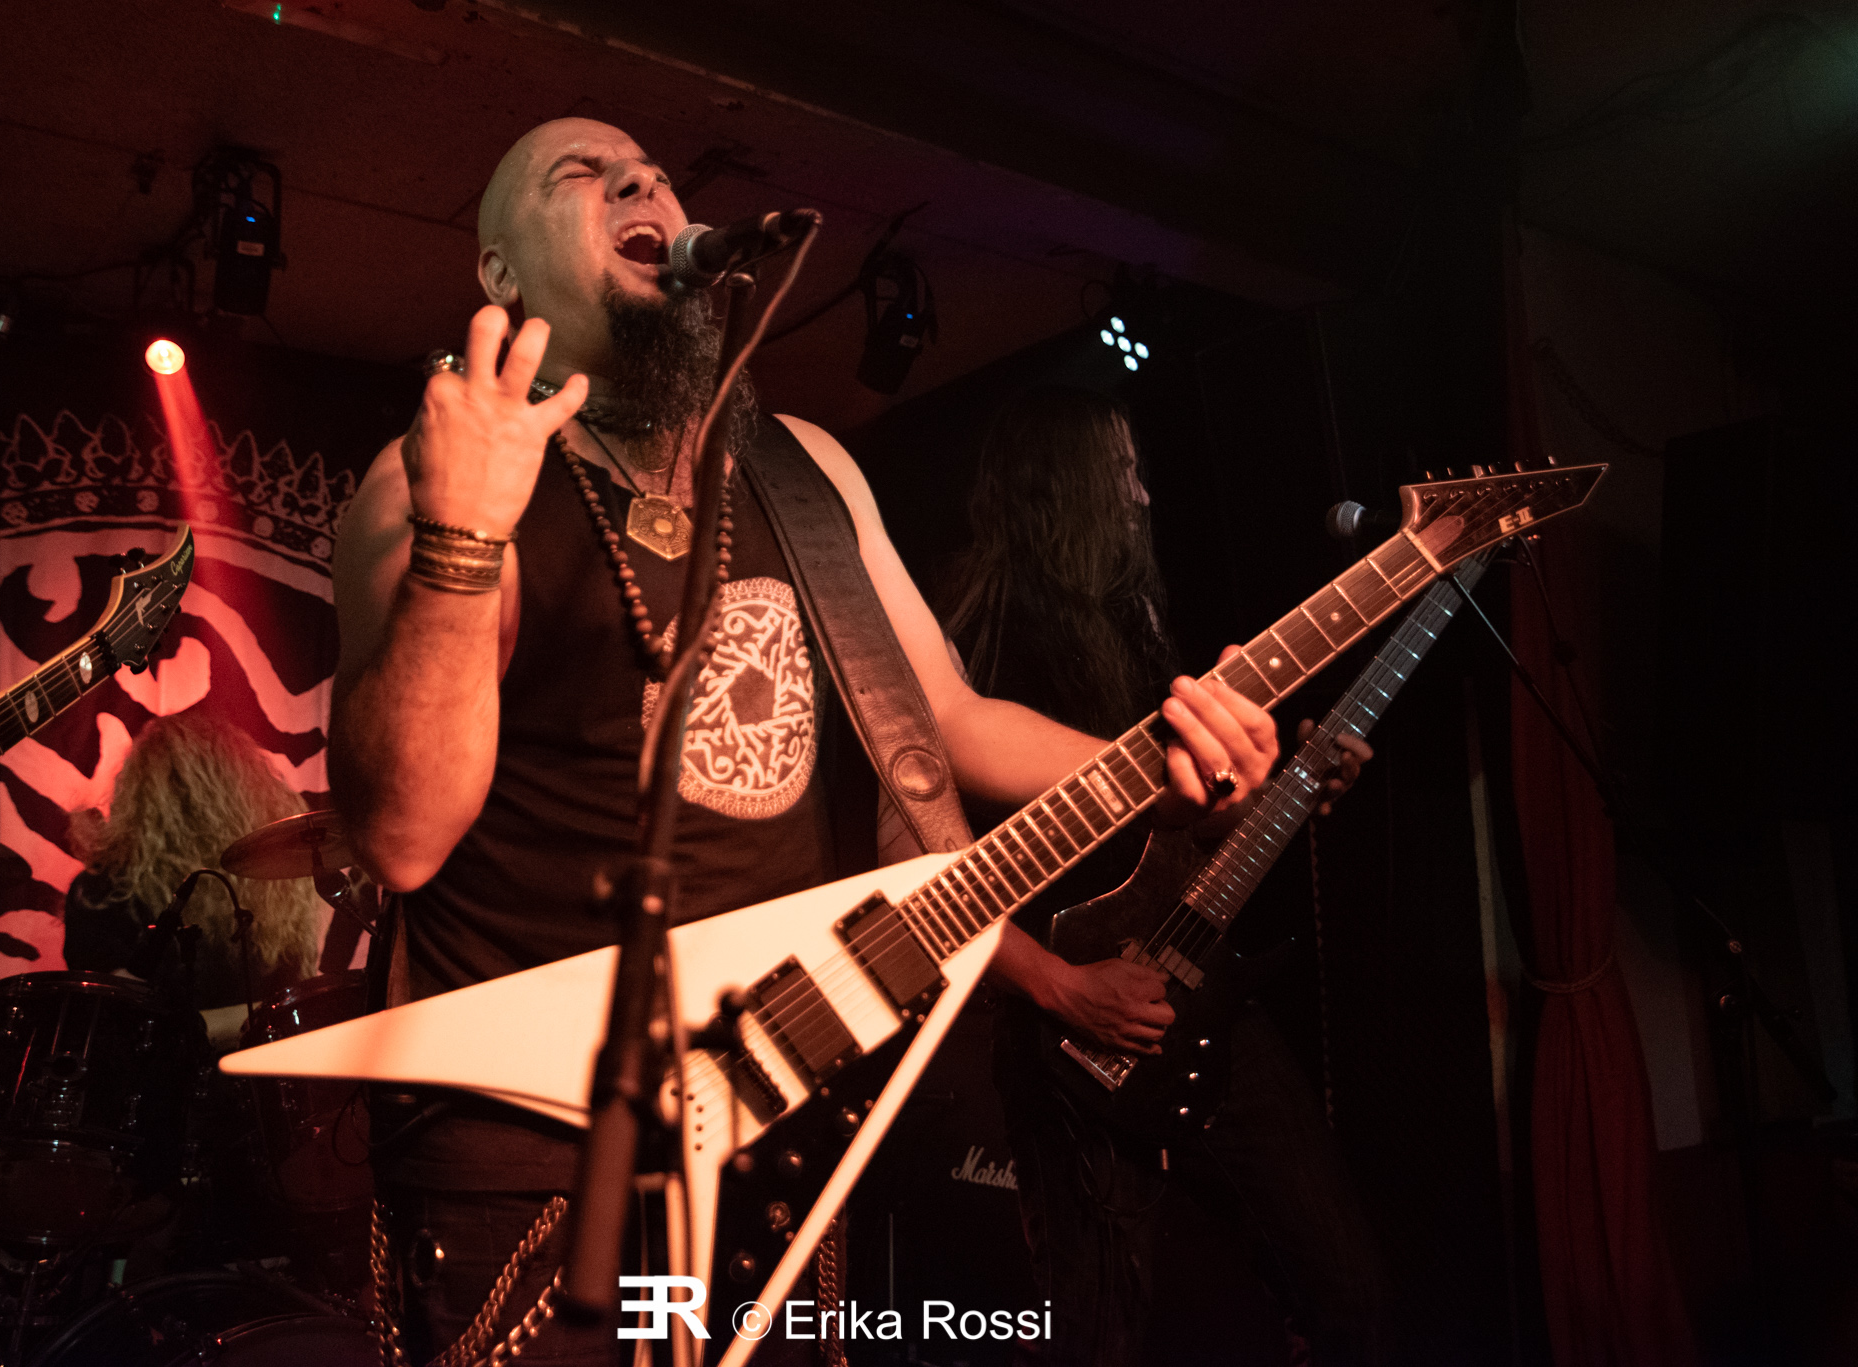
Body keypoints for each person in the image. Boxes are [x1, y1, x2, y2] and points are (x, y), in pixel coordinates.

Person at [327, 118, 1281, 1366]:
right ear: (500, 272)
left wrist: (1165, 764)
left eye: (653, 172)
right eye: (581, 174)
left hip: (770, 1108)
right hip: (530, 1142)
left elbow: (946, 720)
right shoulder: (422, 481)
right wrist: (463, 538)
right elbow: (401, 835)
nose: (642, 180)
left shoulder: (801, 467)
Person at [933, 387, 1387, 1366]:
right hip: (1064, 1032)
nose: (1141, 496)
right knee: (1095, 1335)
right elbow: (927, 859)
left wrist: (1285, 783)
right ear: (1063, 487)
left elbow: (1178, 829)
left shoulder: (1132, 618)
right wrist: (1062, 986)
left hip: (1197, 996)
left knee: (1346, 1288)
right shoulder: (980, 633)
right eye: (1121, 473)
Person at [64, 710, 320, 1045]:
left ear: (140, 791)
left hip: (159, 1073)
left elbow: (110, 1026)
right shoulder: (278, 882)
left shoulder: (100, 892)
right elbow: (293, 1003)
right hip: (257, 1066)